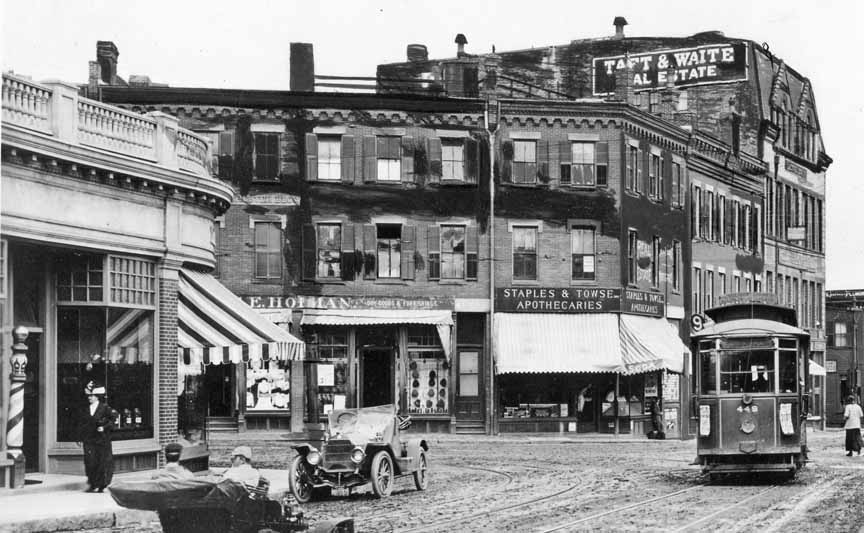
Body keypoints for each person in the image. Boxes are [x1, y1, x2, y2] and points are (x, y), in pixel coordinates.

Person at [80, 381, 115, 492]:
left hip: (101, 439)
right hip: (89, 439)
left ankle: (102, 485)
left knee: (102, 462)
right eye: (88, 396)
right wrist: (80, 437)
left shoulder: (104, 408)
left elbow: (113, 420)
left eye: (92, 396)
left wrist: (104, 428)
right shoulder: (86, 409)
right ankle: (92, 483)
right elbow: (81, 424)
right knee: (90, 461)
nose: (89, 398)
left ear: (97, 397)